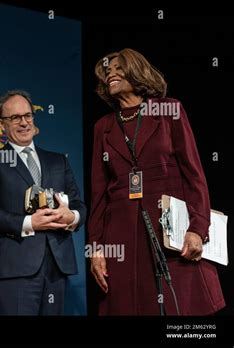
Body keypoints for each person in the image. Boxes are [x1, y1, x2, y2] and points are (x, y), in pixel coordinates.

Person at [89, 48, 225, 315]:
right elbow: (98, 193)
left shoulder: (168, 111)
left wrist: (198, 228)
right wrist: (96, 249)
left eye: (118, 68)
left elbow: (194, 174)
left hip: (171, 231)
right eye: (107, 72)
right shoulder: (102, 127)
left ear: (137, 72)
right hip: (122, 236)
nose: (111, 74)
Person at [0, 90, 86, 315]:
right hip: (15, 267)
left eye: (28, 115)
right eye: (15, 118)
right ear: (1, 125)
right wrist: (29, 223)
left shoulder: (58, 161)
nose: (24, 122)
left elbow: (78, 205)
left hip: (57, 265)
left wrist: (71, 217)